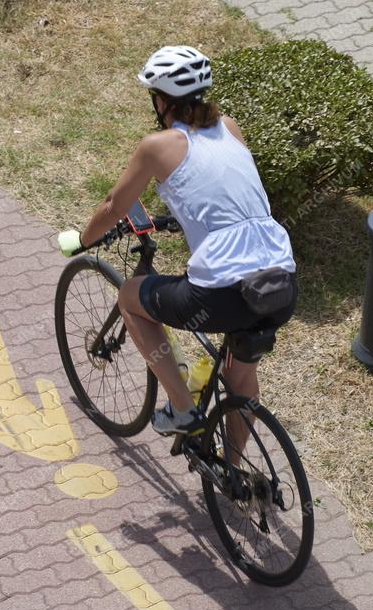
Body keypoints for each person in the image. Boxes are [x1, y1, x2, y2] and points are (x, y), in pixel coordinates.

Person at [60, 46, 297, 458]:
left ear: (162, 100)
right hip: (279, 283)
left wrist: (84, 240)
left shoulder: (157, 146)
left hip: (220, 292)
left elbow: (115, 205)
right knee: (242, 376)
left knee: (130, 299)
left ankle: (183, 410)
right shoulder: (231, 126)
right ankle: (234, 469)